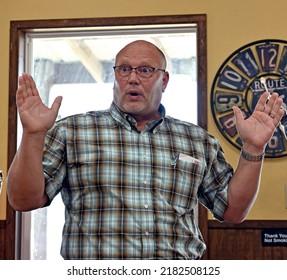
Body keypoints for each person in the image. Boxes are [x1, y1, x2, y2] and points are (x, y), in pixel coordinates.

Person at [7, 40, 284, 260]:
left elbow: (233, 211)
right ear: (114, 76)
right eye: (124, 69)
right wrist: (33, 134)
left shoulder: (198, 141)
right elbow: (23, 200)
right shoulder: (72, 132)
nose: (133, 78)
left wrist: (253, 146)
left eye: (145, 70)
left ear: (164, 81)